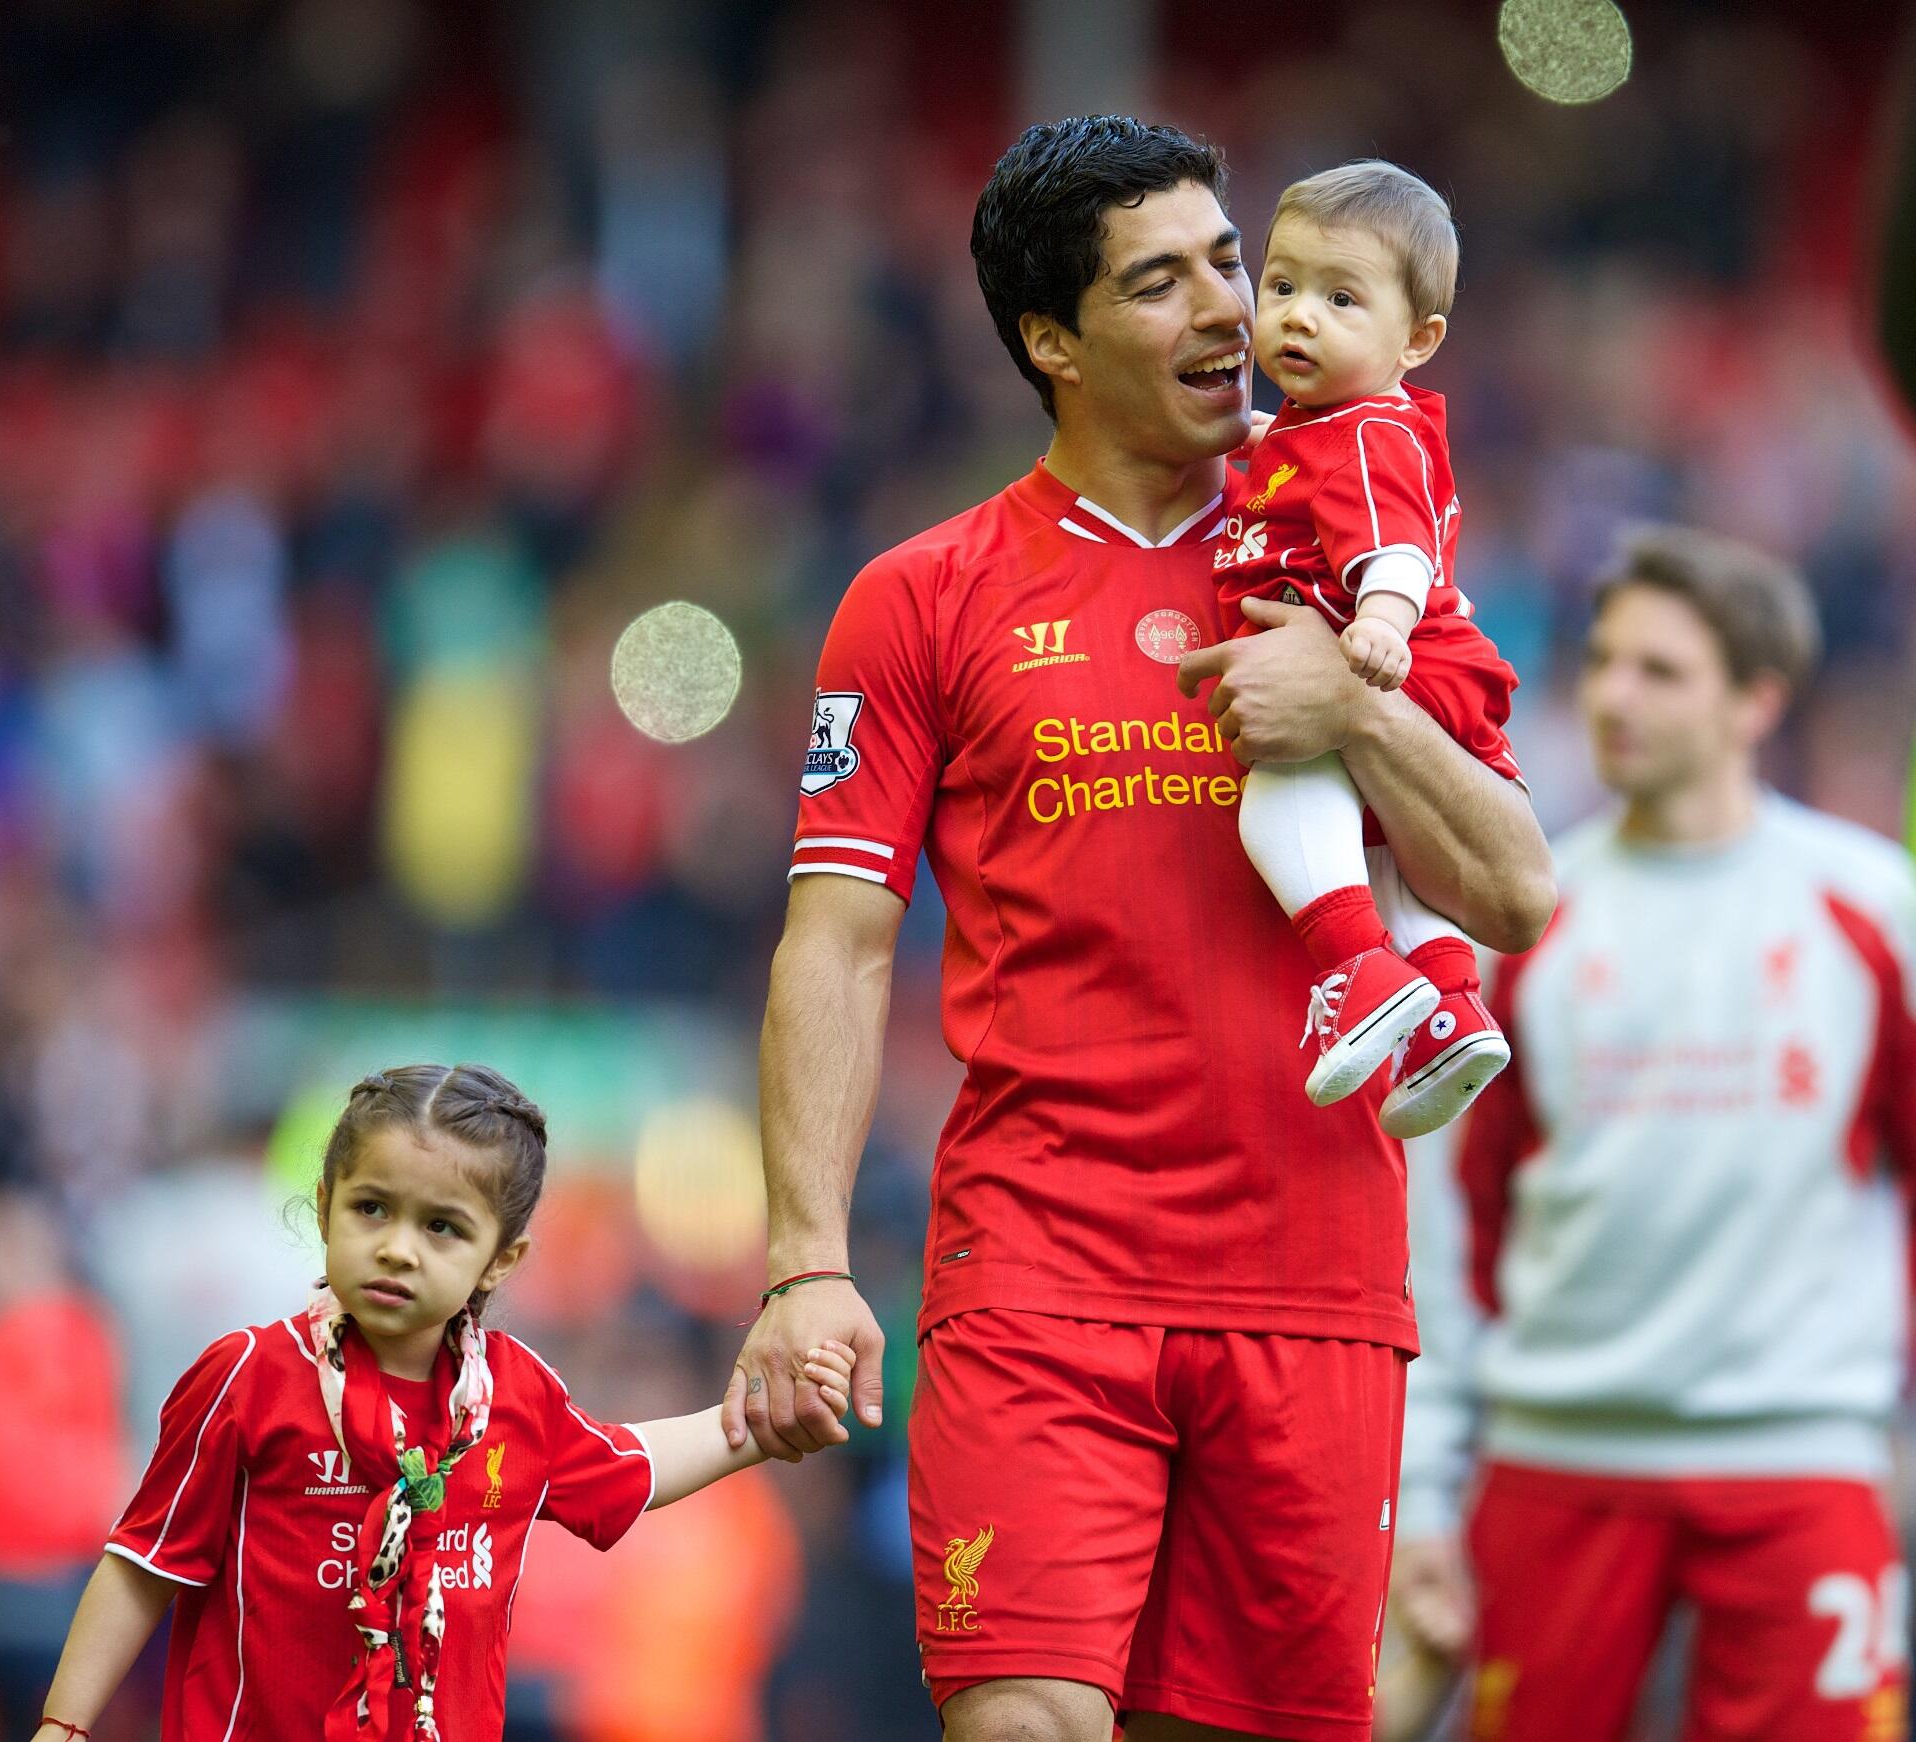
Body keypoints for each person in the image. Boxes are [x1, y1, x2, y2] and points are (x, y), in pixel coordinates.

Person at [725, 115, 1555, 1742]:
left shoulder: (1357, 548)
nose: (1231, 313)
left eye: (1230, 262)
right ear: (1051, 337)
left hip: (1315, 1275)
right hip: (1044, 1261)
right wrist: (804, 1261)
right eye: (1161, 282)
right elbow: (832, 938)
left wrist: (1360, 712)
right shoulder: (921, 596)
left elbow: (1514, 888)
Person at [1390, 526, 1916, 1742]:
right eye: (1606, 662)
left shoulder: (1873, 913)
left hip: (1802, 1454)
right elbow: (1441, 1239)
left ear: (1755, 700)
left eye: (1660, 670)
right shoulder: (1517, 928)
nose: (1614, 696)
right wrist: (1421, 1496)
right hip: (1553, 1457)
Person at [31, 1063, 854, 1742]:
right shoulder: (246, 1374)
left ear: (502, 1259)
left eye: (443, 1228)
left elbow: (627, 1466)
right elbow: (142, 1568)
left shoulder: (516, 1394)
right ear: (325, 1207)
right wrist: (63, 1728)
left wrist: (762, 1422)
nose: (397, 1246)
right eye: (371, 1208)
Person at [1217, 163, 1518, 1139]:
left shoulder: (1360, 434)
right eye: (1282, 286)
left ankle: (1355, 969)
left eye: (1341, 298)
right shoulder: (1327, 428)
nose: (1299, 316)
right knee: (1382, 849)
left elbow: (1394, 541)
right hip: (1412, 661)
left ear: (1415, 340)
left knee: (1281, 796)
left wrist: (1378, 623)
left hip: (1390, 652)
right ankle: (1446, 1009)